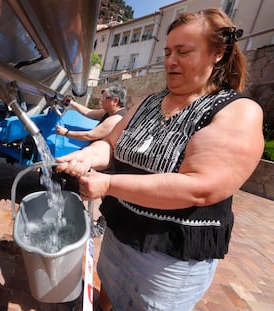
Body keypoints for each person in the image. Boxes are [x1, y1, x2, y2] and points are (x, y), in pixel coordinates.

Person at [56, 8, 264, 311]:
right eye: (167, 51)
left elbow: (200, 187)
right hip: (119, 233)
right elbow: (111, 145)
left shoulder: (236, 112)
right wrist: (87, 156)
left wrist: (110, 184)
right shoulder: (147, 102)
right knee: (110, 291)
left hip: (168, 260)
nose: (170, 60)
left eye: (183, 51)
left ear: (217, 53)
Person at [55, 85, 127, 141]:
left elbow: (90, 135)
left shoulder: (116, 119)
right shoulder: (109, 112)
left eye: (104, 98)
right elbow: (88, 112)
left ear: (115, 101)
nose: (101, 100)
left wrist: (66, 133)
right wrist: (71, 102)